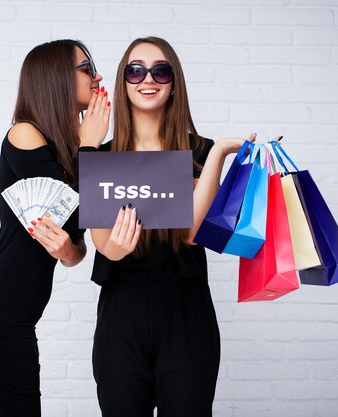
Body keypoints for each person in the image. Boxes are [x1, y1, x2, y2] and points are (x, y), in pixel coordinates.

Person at [82, 37, 257, 416]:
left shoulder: (202, 151)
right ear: (123, 82)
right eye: (135, 70)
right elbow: (104, 246)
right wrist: (118, 244)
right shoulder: (105, 156)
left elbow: (194, 232)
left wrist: (220, 154)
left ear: (174, 82)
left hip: (186, 308)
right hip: (121, 309)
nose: (148, 79)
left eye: (160, 70)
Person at [0, 39, 109, 417]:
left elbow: (73, 244)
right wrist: (90, 148)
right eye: (87, 67)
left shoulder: (67, 150)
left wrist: (68, 251)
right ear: (55, 77)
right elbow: (69, 212)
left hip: (16, 319)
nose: (98, 76)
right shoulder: (24, 133)